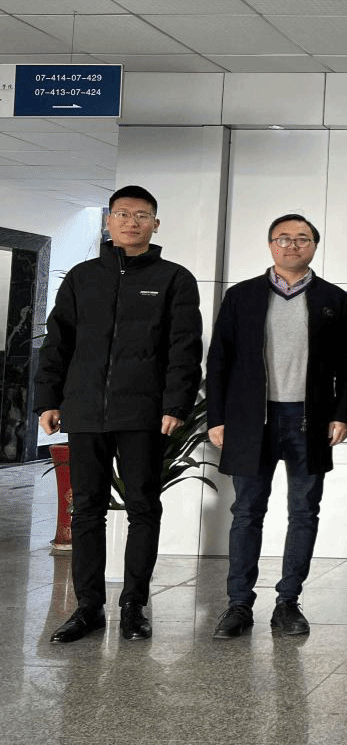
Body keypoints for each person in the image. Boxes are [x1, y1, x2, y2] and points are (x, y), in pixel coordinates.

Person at [35, 185, 202, 643]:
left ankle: (133, 606)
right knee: (87, 509)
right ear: (109, 221)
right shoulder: (82, 278)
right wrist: (48, 399)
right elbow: (58, 342)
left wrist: (175, 405)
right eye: (123, 214)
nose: (132, 222)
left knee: (143, 507)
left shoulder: (174, 279)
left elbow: (184, 348)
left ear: (155, 224)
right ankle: (88, 607)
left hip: (143, 414)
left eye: (142, 215)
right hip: (85, 411)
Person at [205, 214, 347, 639]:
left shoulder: (331, 298)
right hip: (251, 420)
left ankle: (288, 602)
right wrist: (217, 417)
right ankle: (238, 604)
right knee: (246, 512)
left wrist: (343, 414)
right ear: (271, 244)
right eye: (284, 238)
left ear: (314, 246)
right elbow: (219, 360)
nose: (293, 245)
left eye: (302, 239)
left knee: (304, 511)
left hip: (310, 421)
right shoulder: (242, 296)